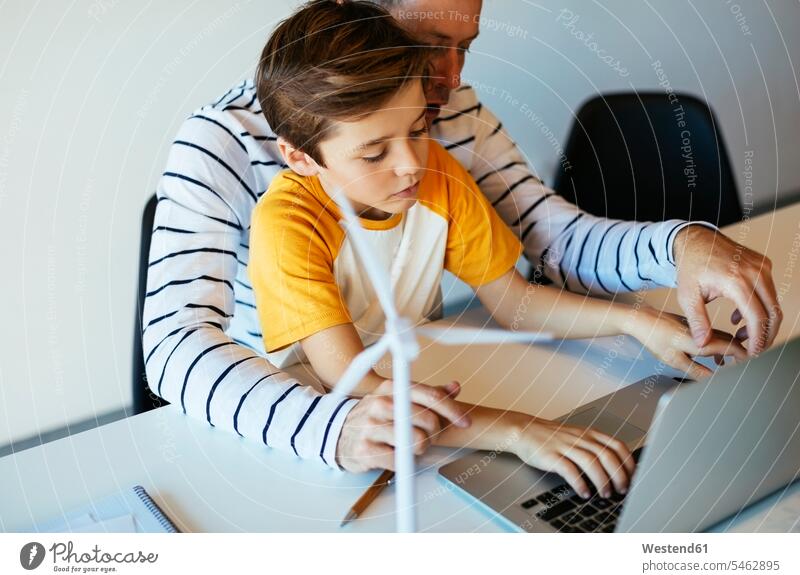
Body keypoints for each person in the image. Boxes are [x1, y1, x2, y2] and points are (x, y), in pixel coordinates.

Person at [142, 0, 781, 478]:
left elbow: (549, 239)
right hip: (287, 427)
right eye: (427, 44)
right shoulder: (223, 149)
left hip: (422, 388)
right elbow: (175, 345)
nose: (447, 80)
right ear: (354, 19)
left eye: (464, 46)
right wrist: (331, 427)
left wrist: (678, 252)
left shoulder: (439, 126)